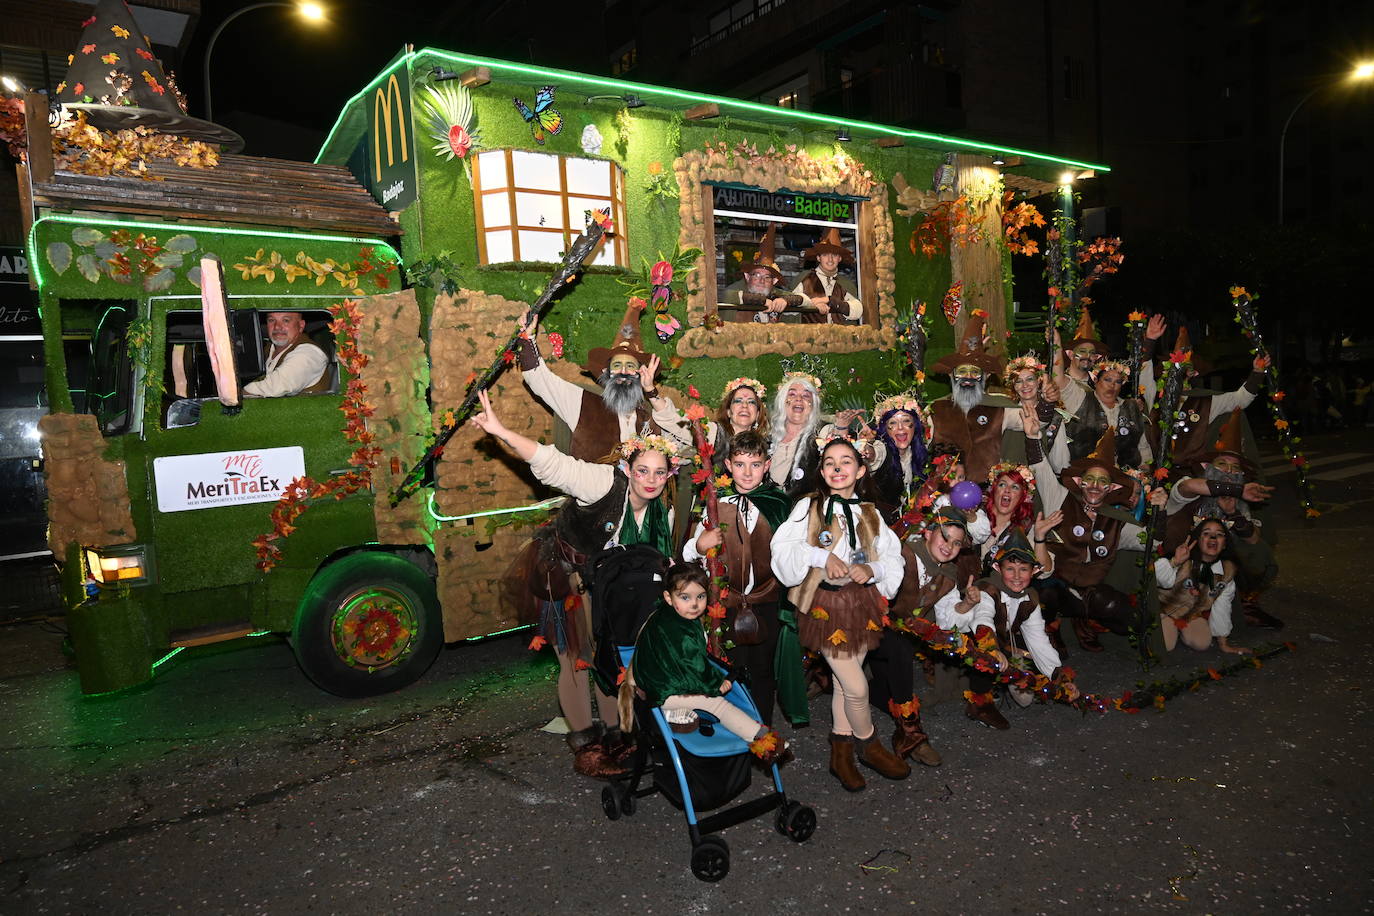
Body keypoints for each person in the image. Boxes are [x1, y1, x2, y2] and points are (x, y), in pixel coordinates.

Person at [471, 389, 678, 778]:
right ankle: (587, 744)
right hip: (564, 575)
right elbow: (551, 463)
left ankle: (618, 735)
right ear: (627, 469)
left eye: (659, 472)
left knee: (608, 655)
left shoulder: (659, 515)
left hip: (607, 585)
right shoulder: (601, 483)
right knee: (576, 659)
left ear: (669, 475)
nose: (650, 480)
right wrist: (500, 430)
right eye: (642, 470)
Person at [772, 435, 908, 792]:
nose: (837, 468)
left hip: (861, 605)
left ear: (860, 470)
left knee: (842, 686)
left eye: (846, 461)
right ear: (822, 470)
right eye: (829, 462)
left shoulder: (870, 513)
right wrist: (821, 556)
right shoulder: (808, 508)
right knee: (857, 686)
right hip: (825, 607)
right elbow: (784, 548)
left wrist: (872, 571)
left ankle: (840, 752)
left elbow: (887, 555)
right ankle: (870, 745)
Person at [682, 431, 800, 726]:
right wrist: (700, 545)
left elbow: (791, 556)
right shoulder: (714, 501)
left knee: (762, 671)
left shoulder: (778, 504)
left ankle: (762, 731)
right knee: (726, 670)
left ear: (767, 465)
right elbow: (687, 553)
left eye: (755, 464)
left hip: (766, 602)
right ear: (728, 465)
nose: (747, 472)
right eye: (740, 464)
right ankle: (731, 729)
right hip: (725, 603)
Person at [1023, 410, 1163, 652]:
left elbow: (1154, 542)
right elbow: (1041, 469)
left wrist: (1161, 512)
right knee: (1046, 593)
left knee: (1131, 617)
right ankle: (1051, 628)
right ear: (1079, 482)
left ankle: (1085, 619)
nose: (1095, 486)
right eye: (1090, 479)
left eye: (1103, 482)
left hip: (1088, 592)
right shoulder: (1061, 497)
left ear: (1113, 488)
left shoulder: (1119, 521)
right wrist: (1032, 437)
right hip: (1054, 584)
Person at [629, 563, 789, 764]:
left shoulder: (667, 616)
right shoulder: (680, 631)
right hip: (663, 688)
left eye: (701, 597)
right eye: (685, 597)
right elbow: (692, 664)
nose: (695, 604)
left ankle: (674, 712)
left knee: (714, 695)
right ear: (669, 598)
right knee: (716, 703)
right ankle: (762, 739)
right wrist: (714, 683)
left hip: (655, 678)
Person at [517, 301, 685, 461]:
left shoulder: (653, 416)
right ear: (606, 372)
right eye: (617, 365)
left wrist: (652, 393)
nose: (624, 372)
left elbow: (688, 442)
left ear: (641, 373)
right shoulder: (581, 401)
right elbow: (539, 379)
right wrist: (527, 337)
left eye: (630, 366)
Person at [870, 506, 971, 765]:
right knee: (900, 651)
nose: (949, 546)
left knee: (881, 693)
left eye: (957, 543)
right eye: (945, 537)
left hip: (898, 638)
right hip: (868, 626)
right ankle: (912, 734)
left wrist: (966, 605)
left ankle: (904, 726)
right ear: (927, 533)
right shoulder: (902, 552)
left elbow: (947, 620)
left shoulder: (948, 576)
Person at [1161, 410, 1280, 629]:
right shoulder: (1193, 485)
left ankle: (1243, 601)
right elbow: (1187, 487)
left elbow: (1254, 540)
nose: (1229, 471)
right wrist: (1238, 489)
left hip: (1218, 567)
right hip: (1181, 563)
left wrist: (1234, 513)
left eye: (1235, 468)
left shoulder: (1239, 501)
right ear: (1207, 467)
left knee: (1261, 554)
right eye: (1222, 464)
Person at [975, 531, 1079, 715]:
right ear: (998, 569)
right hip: (976, 643)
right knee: (984, 658)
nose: (1017, 576)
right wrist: (992, 649)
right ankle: (982, 699)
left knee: (1025, 698)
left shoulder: (1030, 598)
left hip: (1006, 644)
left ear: (1034, 571)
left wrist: (1060, 678)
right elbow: (982, 619)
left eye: (1023, 569)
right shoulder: (987, 589)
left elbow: (1039, 641)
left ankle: (1003, 673)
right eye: (1010, 569)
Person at [927, 311, 1014, 483]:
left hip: (989, 496)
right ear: (952, 376)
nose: (968, 377)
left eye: (974, 372)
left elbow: (1035, 421)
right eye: (962, 371)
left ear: (986, 376)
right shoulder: (934, 410)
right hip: (945, 498)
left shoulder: (1002, 408)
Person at [1154, 519, 1249, 655]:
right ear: (1197, 540)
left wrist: (1224, 644)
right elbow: (1156, 579)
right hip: (1163, 610)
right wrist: (1175, 561)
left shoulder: (1226, 573)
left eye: (1219, 534)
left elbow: (1222, 608)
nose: (1213, 537)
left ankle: (1180, 630)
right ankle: (1164, 628)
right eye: (1206, 533)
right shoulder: (1184, 560)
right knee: (1166, 645)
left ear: (1225, 544)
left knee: (1202, 643)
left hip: (1190, 615)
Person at [1060, 357, 1152, 470]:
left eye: (1118, 382)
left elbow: (1142, 446)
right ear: (1096, 381)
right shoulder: (1081, 399)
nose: (1112, 385)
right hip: (1083, 473)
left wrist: (1144, 474)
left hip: (1124, 476)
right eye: (1107, 380)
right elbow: (1059, 380)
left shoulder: (1131, 407)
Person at [869, 390, 930, 523]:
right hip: (878, 527)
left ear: (915, 426)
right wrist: (867, 449)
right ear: (884, 428)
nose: (901, 428)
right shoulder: (881, 450)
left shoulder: (922, 454)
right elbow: (873, 456)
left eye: (906, 421)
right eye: (893, 423)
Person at [242, 311, 330, 398]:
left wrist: (233, 391)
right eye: (271, 320)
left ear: (301, 325)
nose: (277, 327)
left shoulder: (309, 353)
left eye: (286, 320)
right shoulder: (267, 350)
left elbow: (276, 386)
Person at [719, 224, 796, 323]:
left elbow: (804, 299)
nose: (761, 281)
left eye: (767, 277)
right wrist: (762, 301)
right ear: (747, 276)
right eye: (757, 275)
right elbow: (728, 295)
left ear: (774, 281)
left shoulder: (774, 293)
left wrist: (786, 300)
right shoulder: (734, 291)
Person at [768, 371, 825, 498]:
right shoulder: (767, 438)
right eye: (792, 394)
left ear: (813, 404)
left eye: (806, 396)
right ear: (782, 401)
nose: (798, 399)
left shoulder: (821, 435)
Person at [792, 227, 862, 324]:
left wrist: (829, 300)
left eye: (834, 255)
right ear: (818, 258)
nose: (830, 260)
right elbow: (791, 307)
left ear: (840, 258)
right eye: (825, 255)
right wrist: (812, 305)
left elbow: (857, 310)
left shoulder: (846, 284)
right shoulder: (805, 279)